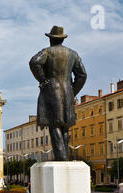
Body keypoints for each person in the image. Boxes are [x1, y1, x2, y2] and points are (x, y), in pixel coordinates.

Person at [29, 26, 87, 161]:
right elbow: (82, 75)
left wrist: (43, 80)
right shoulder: (73, 54)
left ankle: (61, 158)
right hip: (67, 92)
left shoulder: (47, 52)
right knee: (65, 126)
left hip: (51, 90)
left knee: (54, 124)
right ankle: (64, 157)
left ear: (50, 39)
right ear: (62, 39)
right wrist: (73, 91)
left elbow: (34, 62)